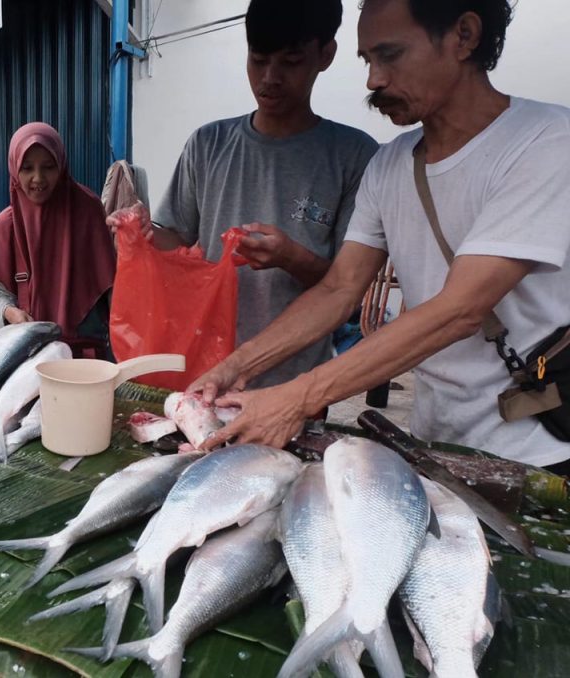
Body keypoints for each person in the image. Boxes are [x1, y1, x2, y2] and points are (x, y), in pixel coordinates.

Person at [191, 0, 570, 470]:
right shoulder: (390, 163)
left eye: (390, 56)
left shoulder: (547, 143)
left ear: (465, 36)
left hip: (539, 448)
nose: (373, 80)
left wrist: (298, 397)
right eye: (367, 60)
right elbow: (338, 287)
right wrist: (236, 368)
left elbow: (460, 309)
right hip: (434, 439)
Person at [108, 0, 379, 389]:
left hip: (295, 385)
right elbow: (176, 237)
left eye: (291, 61)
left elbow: (348, 290)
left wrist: (291, 258)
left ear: (326, 55)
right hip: (205, 375)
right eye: (258, 58)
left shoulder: (355, 157)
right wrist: (142, 232)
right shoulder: (208, 145)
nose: (270, 77)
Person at [0, 122, 116, 353]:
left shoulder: (87, 211)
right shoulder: (6, 225)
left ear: (61, 165)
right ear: (14, 169)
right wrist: (11, 312)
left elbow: (111, 286)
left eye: (48, 167)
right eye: (27, 168)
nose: (38, 178)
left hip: (87, 355)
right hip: (29, 353)